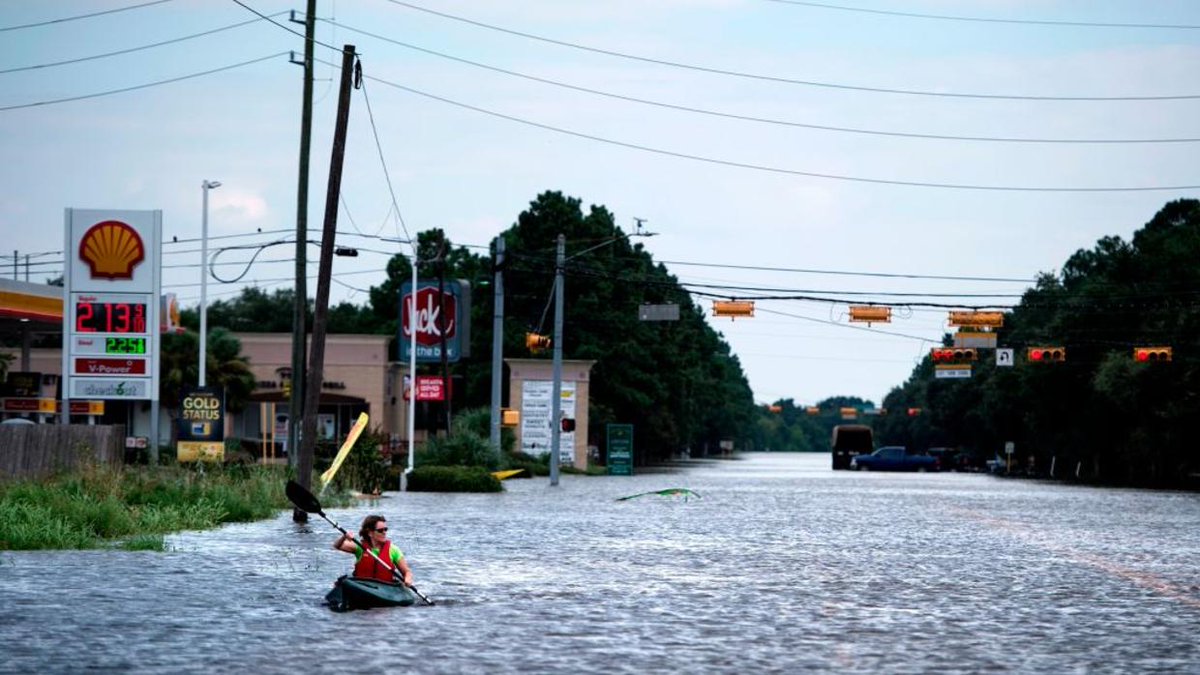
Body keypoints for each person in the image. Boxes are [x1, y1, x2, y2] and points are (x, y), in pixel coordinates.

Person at [333, 514, 414, 586]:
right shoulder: (360, 547)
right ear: (370, 533)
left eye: (385, 529)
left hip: (385, 588)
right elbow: (337, 545)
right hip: (362, 586)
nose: (384, 532)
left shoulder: (393, 550)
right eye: (380, 530)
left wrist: (408, 579)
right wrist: (344, 537)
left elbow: (407, 572)